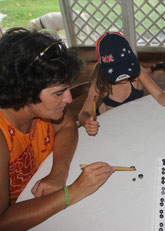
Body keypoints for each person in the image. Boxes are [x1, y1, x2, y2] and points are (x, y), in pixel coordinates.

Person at [0, 28, 114, 230]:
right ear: (25, 92)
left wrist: (58, 173)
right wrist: (73, 191)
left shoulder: (44, 111)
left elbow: (69, 125)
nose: (69, 99)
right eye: (59, 93)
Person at [79, 32, 165, 136]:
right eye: (117, 71)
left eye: (126, 68)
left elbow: (159, 95)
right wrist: (87, 122)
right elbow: (83, 113)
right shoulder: (100, 83)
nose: (124, 76)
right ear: (104, 68)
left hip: (135, 121)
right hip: (113, 127)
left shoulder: (138, 73)